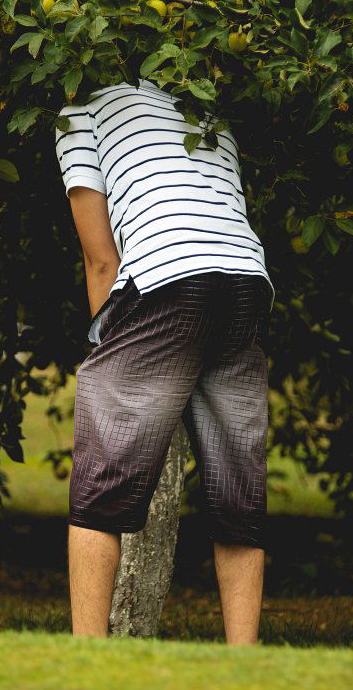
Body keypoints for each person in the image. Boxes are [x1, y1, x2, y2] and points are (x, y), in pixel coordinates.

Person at [54, 77, 275, 644]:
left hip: (170, 274)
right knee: (236, 491)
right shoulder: (202, 97)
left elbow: (101, 261)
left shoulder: (78, 109)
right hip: (246, 281)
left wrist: (110, 352)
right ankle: (246, 663)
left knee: (99, 487)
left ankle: (85, 658)